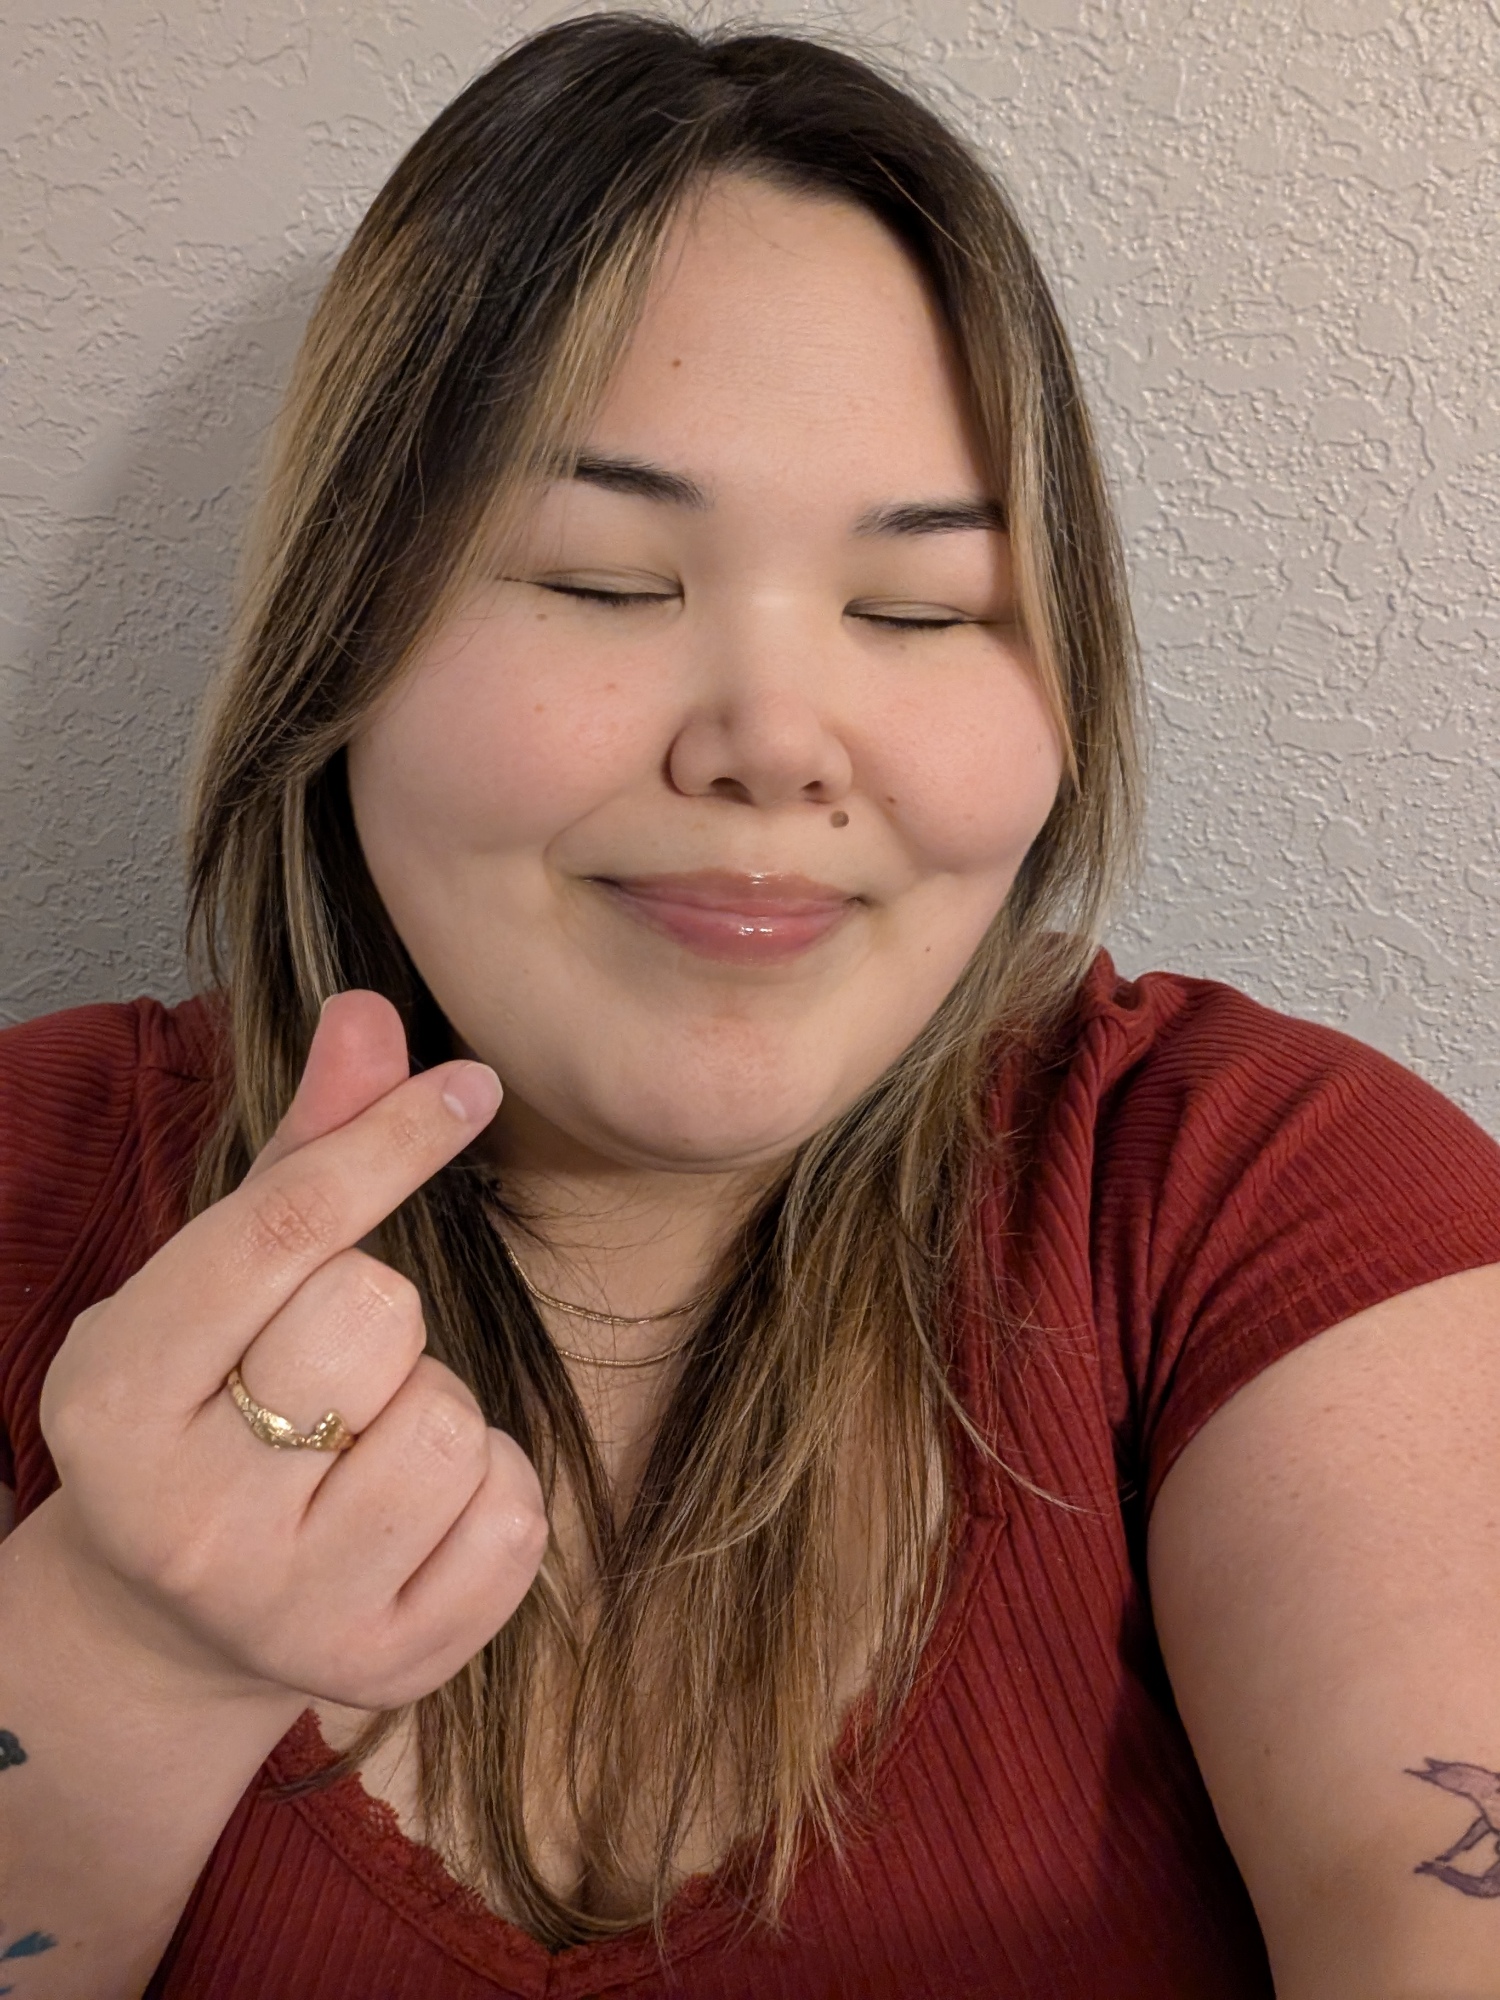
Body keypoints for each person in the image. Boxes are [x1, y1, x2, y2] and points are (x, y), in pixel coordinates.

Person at [2, 14, 1499, 1998]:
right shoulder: (26, 1186)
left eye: (920, 609)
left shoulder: (1263, 1193)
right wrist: (122, 1652)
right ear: (337, 642)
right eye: (604, 580)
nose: (777, 739)